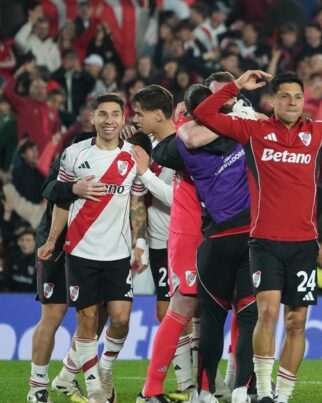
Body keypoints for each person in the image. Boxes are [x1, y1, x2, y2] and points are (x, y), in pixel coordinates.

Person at [193, 68, 322, 403]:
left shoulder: (317, 132)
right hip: (264, 242)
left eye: (297, 96)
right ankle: (263, 391)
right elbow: (203, 113)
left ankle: (283, 396)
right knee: (267, 315)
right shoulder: (253, 129)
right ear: (272, 100)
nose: (292, 102)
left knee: (297, 322)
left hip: (304, 245)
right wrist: (236, 85)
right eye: (284, 96)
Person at [38, 93, 148, 402]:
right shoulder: (74, 154)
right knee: (86, 319)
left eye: (115, 114)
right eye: (103, 114)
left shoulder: (134, 156)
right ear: (92, 118)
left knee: (121, 317)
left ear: (123, 119)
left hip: (118, 252)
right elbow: (60, 198)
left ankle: (100, 368)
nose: (109, 120)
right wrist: (50, 241)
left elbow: (137, 202)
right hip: (81, 250)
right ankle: (95, 388)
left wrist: (139, 243)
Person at [179, 83, 258, 403]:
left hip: (219, 240)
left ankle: (207, 391)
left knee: (215, 319)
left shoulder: (190, 141)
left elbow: (190, 135)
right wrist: (239, 116)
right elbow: (193, 134)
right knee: (246, 315)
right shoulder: (234, 132)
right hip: (242, 239)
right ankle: (238, 389)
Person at [130, 84, 194, 403]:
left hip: (184, 238)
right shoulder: (151, 147)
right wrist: (140, 241)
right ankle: (187, 383)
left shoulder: (184, 144)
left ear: (158, 114)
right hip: (159, 243)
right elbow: (140, 199)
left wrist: (145, 174)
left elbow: (180, 199)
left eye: (140, 113)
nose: (135, 118)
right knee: (168, 310)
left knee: (185, 311)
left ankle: (196, 382)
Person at [26, 130, 99, 403]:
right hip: (56, 246)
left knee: (96, 316)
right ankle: (38, 387)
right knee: (53, 315)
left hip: (94, 247)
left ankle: (67, 376)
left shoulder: (111, 159)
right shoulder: (69, 157)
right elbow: (49, 189)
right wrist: (73, 188)